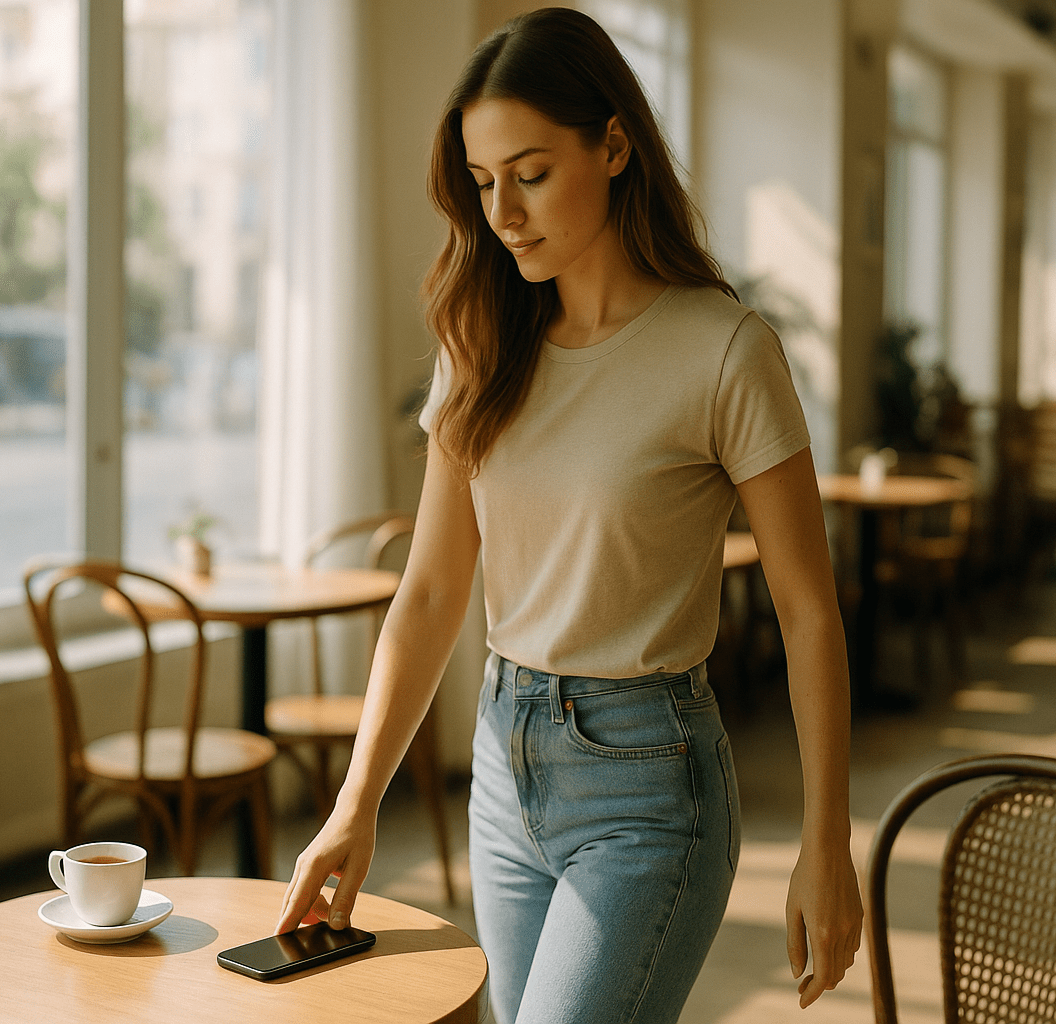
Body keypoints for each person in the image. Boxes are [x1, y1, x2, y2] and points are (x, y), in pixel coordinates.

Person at [276, 8, 863, 1021]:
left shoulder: (723, 351)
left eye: (533, 171)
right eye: (482, 179)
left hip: (651, 784)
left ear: (615, 144)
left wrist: (827, 841)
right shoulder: (482, 341)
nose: (503, 210)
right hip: (504, 770)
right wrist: (356, 801)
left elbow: (809, 610)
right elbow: (429, 592)